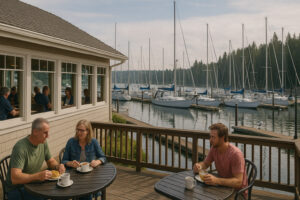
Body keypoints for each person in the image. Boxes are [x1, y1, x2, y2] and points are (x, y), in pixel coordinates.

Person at [6, 118, 66, 200]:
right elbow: (15, 178)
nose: (48, 136)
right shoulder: (20, 148)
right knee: (45, 196)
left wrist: (57, 166)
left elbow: (51, 161)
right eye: (45, 133)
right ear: (35, 132)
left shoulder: (43, 143)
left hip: (34, 184)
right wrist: (37, 176)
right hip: (16, 189)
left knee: (61, 190)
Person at [193, 123, 248, 198]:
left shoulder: (235, 154)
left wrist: (216, 180)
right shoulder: (214, 148)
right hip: (221, 187)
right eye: (210, 137)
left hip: (237, 193)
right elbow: (206, 164)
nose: (210, 140)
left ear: (222, 138)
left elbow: (238, 182)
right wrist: (199, 166)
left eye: (213, 137)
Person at [62, 119, 106, 200]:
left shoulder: (93, 142)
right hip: (74, 176)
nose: (79, 133)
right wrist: (70, 163)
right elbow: (63, 161)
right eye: (78, 130)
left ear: (88, 131)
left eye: (82, 130)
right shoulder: (71, 142)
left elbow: (103, 157)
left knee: (87, 193)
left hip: (90, 176)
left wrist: (97, 161)